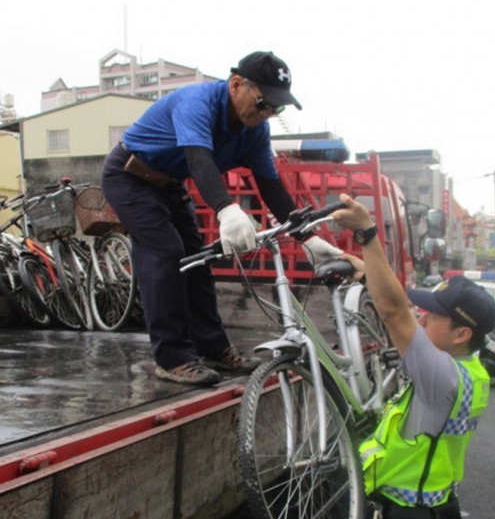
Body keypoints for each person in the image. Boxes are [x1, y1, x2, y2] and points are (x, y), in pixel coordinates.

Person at [331, 194, 495, 519]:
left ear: (462, 331)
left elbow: (392, 308)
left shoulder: (442, 377)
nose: (422, 318)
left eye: (434, 316)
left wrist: (367, 234)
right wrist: (364, 262)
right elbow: (399, 300)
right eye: (425, 310)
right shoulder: (470, 372)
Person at [102, 51, 343, 386]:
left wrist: (308, 237)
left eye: (277, 108)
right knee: (166, 251)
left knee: (198, 260)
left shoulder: (254, 131)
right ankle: (172, 357)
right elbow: (199, 160)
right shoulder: (196, 102)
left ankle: (213, 348)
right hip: (129, 176)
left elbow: (270, 186)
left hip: (169, 184)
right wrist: (227, 209)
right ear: (236, 85)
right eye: (263, 103)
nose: (267, 113)